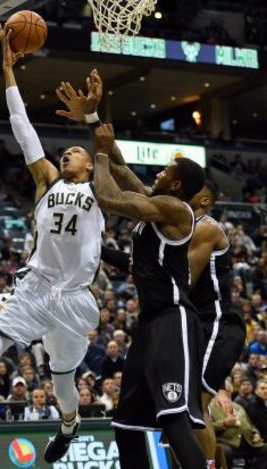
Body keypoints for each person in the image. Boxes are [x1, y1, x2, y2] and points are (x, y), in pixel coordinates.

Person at [0, 25, 104, 464]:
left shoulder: (102, 190)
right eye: (65, 151)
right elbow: (22, 127)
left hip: (72, 299)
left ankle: (70, 426)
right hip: (33, 290)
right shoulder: (47, 181)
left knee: (61, 383)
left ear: (91, 163)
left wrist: (92, 120)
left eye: (75, 151)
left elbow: (108, 150)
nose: (66, 154)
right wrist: (7, 66)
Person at [92, 124, 206, 468]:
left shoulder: (175, 209)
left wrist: (98, 153)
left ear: (175, 185)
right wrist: (93, 119)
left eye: (166, 171)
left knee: (173, 418)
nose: (158, 173)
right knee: (126, 424)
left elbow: (109, 198)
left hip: (174, 320)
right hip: (149, 326)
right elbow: (124, 173)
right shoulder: (157, 205)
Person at [188, 181, 246, 467]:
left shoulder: (205, 226)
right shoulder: (182, 228)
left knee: (194, 406)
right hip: (202, 326)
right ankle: (213, 462)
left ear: (204, 201)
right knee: (183, 410)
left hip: (219, 321)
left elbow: (181, 280)